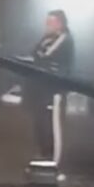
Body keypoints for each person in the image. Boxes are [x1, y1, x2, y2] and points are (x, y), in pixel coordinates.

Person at [29, 8, 74, 164]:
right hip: (43, 89)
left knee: (55, 129)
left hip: (55, 91)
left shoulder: (64, 38)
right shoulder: (47, 38)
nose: (46, 25)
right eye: (46, 22)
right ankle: (44, 157)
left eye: (50, 22)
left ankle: (55, 163)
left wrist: (39, 53)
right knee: (42, 125)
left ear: (60, 24)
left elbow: (44, 55)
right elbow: (34, 52)